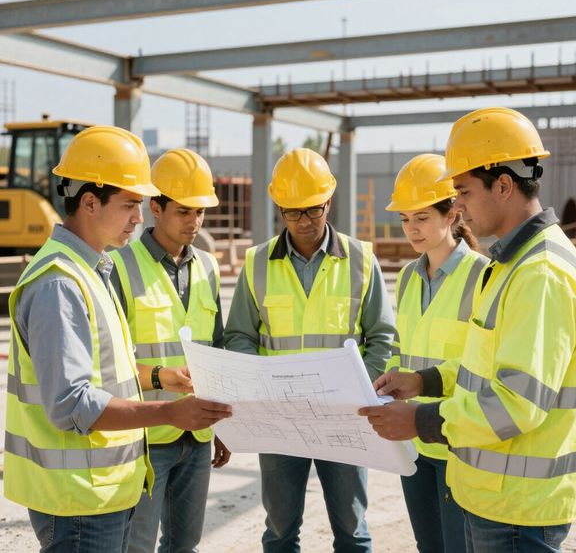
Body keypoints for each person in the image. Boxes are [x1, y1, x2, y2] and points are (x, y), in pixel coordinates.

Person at [360, 107, 576, 553]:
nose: (458, 205)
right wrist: (424, 380)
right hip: (492, 494)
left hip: (520, 509)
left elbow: (516, 404)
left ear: (503, 185)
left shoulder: (540, 273)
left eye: (463, 190)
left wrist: (420, 419)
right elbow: (481, 368)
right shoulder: (509, 266)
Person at [3, 126, 232, 553]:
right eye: (130, 204)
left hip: (100, 491)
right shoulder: (61, 284)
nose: (139, 217)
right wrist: (168, 413)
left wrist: (162, 378)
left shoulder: (92, 272)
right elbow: (71, 403)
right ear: (90, 202)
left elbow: (112, 373)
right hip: (77, 501)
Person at [224, 147, 396, 553]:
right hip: (279, 421)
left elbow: (383, 337)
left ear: (328, 202)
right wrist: (260, 387)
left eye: (313, 211)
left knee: (352, 531)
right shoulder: (257, 263)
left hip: (344, 418)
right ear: (279, 208)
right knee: (280, 532)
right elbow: (239, 336)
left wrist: (356, 393)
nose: (304, 222)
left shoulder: (361, 260)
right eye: (292, 212)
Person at [110, 148, 231, 553]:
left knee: (185, 545)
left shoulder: (209, 268)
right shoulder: (119, 267)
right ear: (156, 208)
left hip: (197, 434)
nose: (195, 222)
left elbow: (217, 349)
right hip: (145, 436)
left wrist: (224, 425)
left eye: (200, 212)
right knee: (137, 546)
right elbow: (108, 360)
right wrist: (160, 376)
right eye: (184, 211)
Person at [384, 153, 488, 553]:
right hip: (413, 442)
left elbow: (485, 364)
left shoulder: (483, 276)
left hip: (455, 439)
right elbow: (401, 346)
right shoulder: (409, 277)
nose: (412, 229)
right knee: (428, 545)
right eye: (406, 219)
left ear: (452, 214)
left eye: (422, 217)